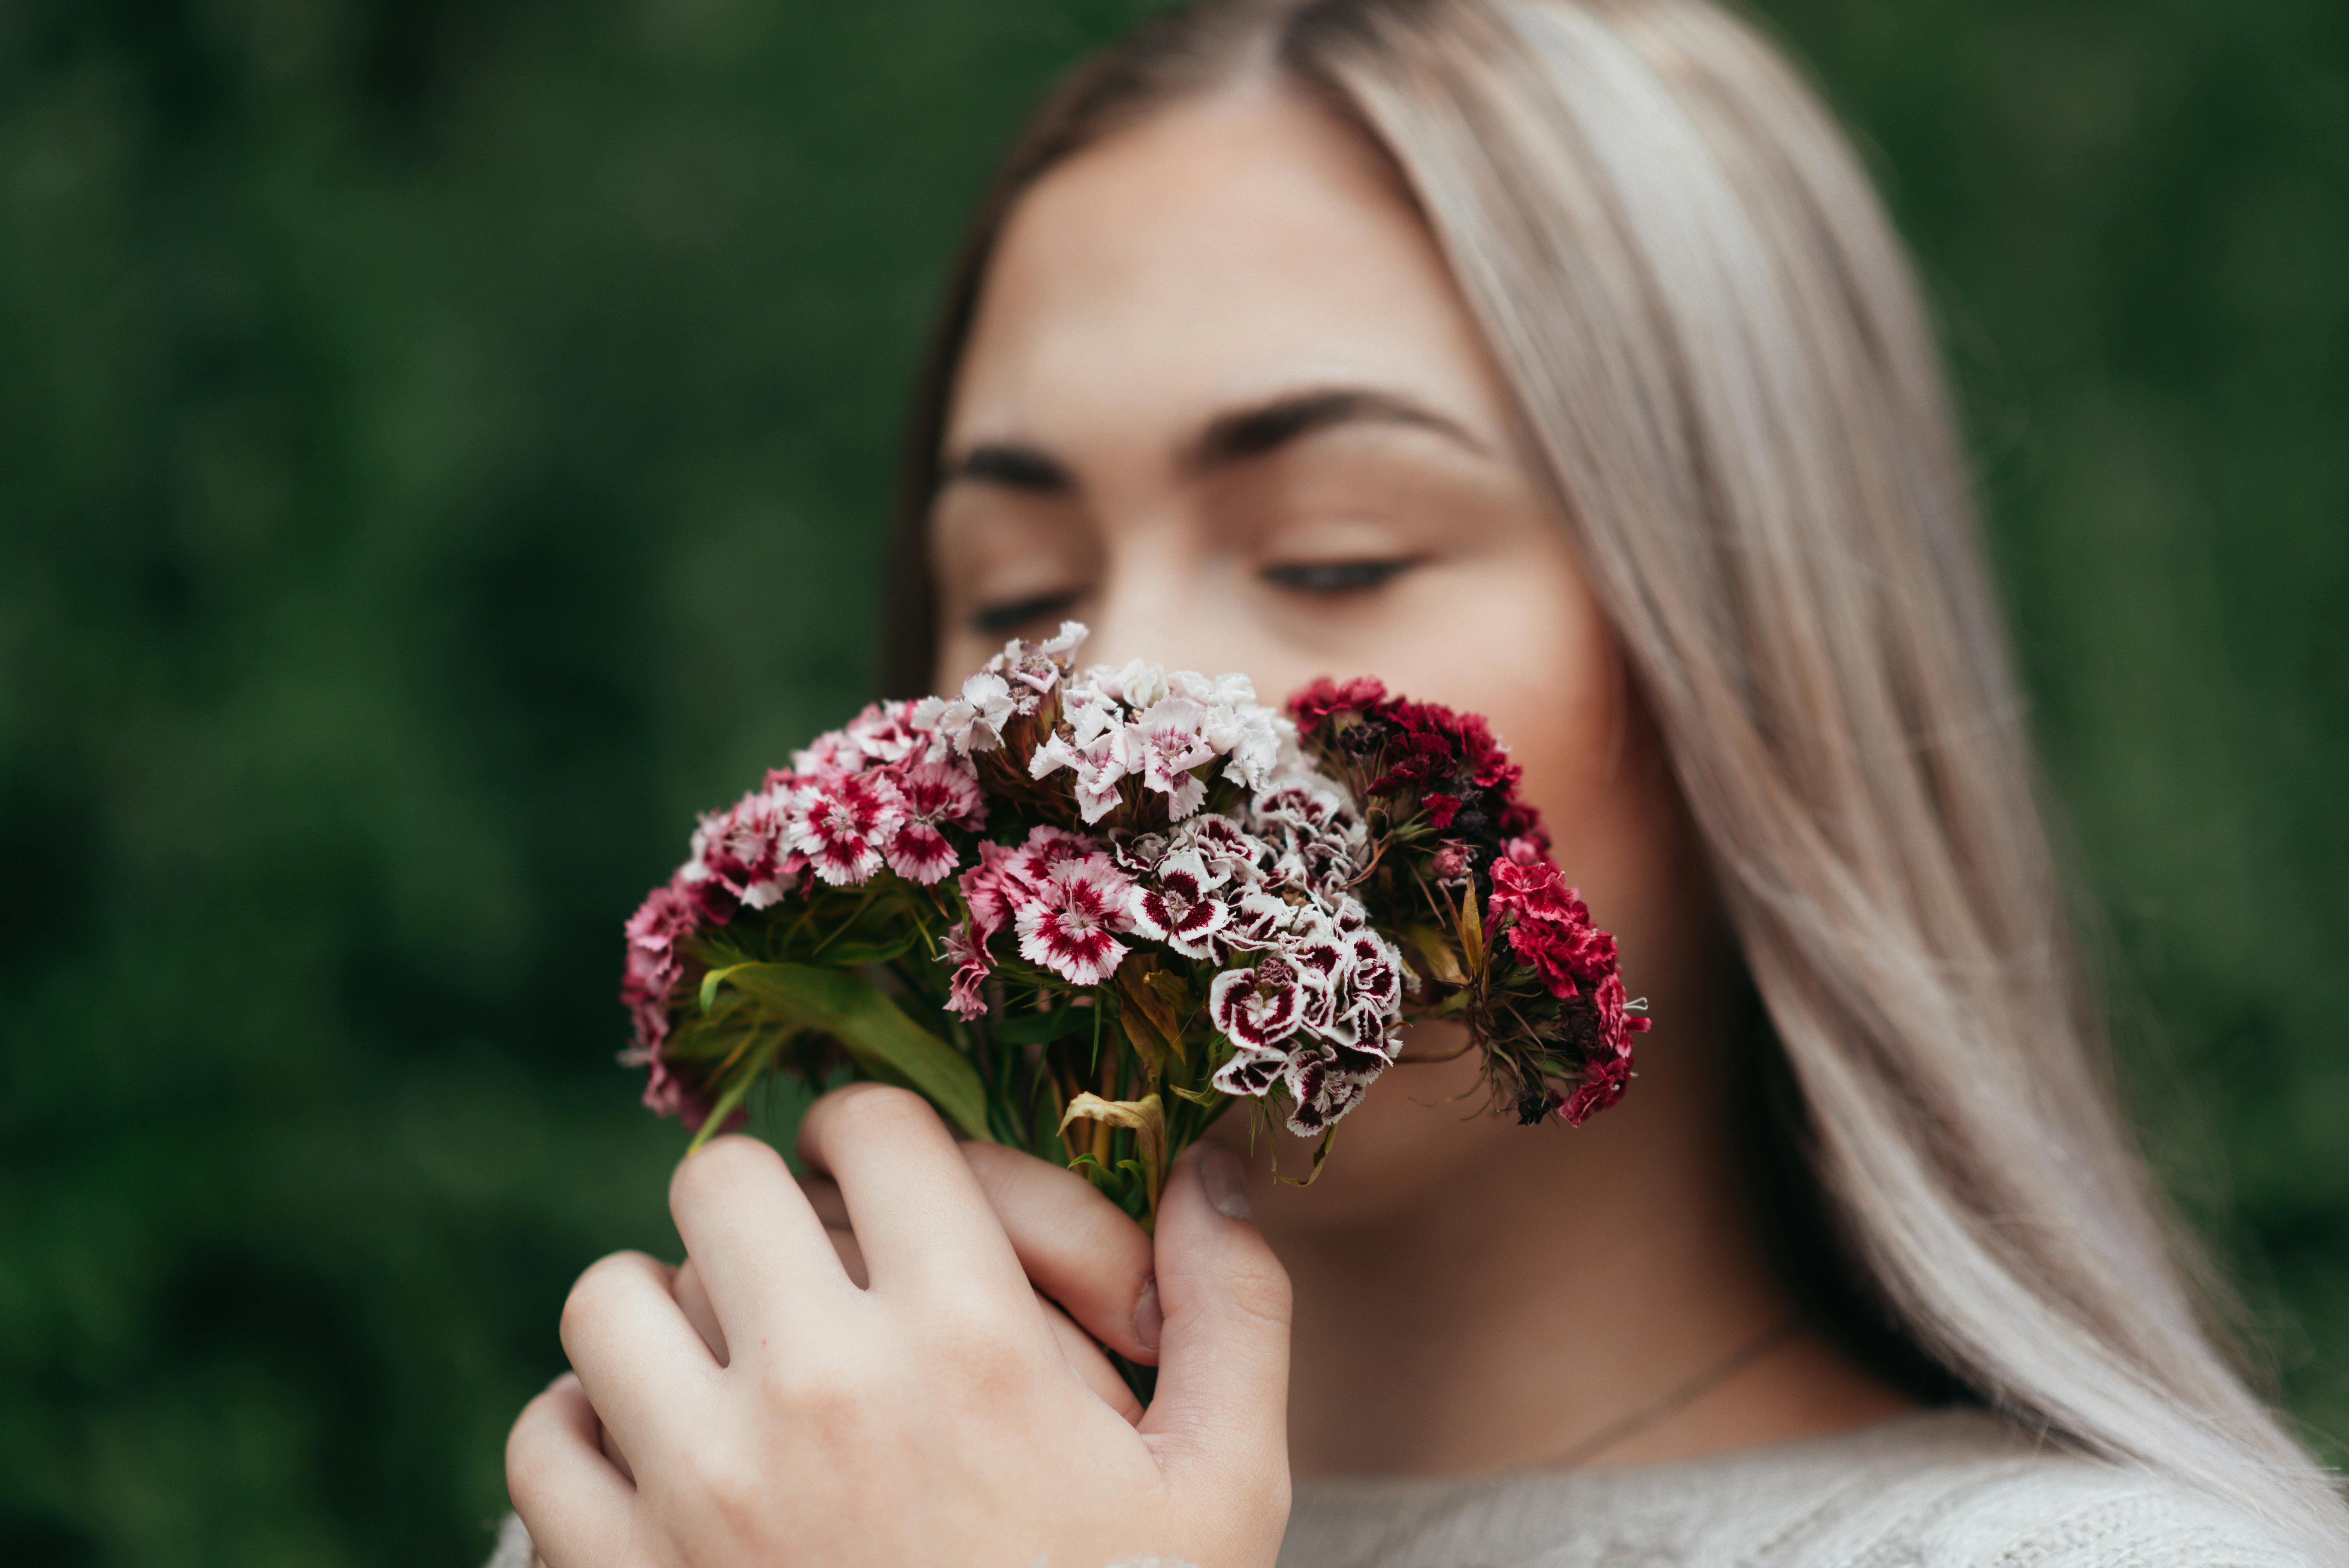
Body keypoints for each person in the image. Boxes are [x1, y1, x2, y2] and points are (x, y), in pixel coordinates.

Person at [494, 1, 2349, 1563]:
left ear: (1760, 661)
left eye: (1337, 549)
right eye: (1020, 593)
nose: (1120, 697)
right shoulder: (727, 1494)